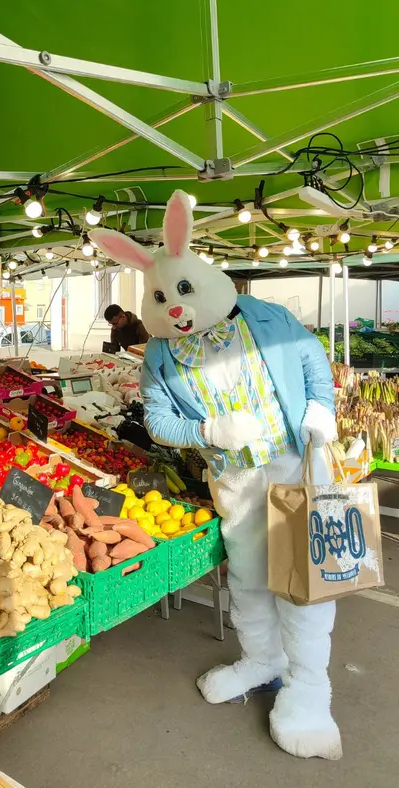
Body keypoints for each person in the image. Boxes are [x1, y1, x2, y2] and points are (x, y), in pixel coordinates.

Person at [91, 189, 343, 760]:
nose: (175, 307)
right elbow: (157, 421)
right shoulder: (159, 354)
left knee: (302, 581)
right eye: (161, 297)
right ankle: (261, 659)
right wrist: (207, 433)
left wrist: (321, 408)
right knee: (250, 576)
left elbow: (312, 359)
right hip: (233, 480)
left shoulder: (267, 317)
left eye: (182, 289)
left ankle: (310, 688)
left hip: (293, 468)